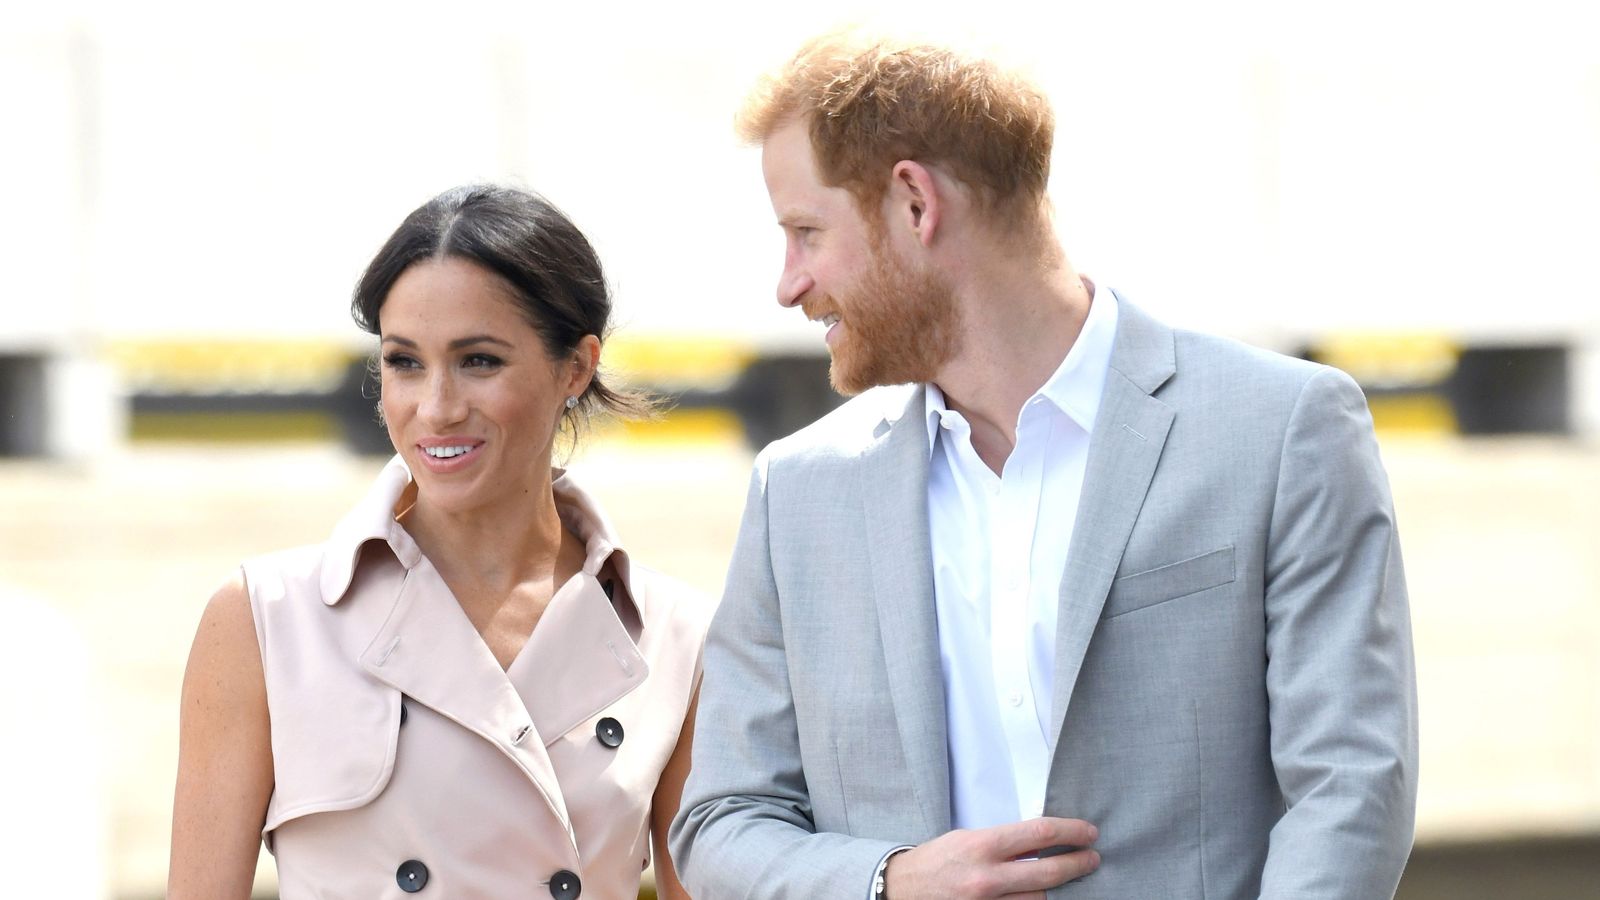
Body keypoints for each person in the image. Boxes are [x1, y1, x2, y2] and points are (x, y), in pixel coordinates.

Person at [670, 32, 1418, 899]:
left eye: (806, 232)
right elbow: (722, 821)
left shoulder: (1281, 431)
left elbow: (1350, 787)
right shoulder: (797, 494)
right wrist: (889, 880)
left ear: (914, 203)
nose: (788, 284)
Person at [170, 185, 709, 900]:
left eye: (479, 361)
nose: (436, 408)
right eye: (404, 362)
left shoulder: (677, 638)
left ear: (575, 368)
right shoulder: (264, 620)